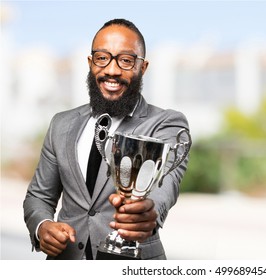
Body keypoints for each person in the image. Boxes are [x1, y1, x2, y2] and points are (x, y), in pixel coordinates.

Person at [23, 18, 191, 260]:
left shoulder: (166, 123)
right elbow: (39, 196)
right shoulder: (61, 123)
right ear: (91, 63)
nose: (112, 70)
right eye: (102, 58)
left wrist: (148, 212)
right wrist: (42, 227)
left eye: (125, 60)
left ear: (142, 68)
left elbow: (166, 185)